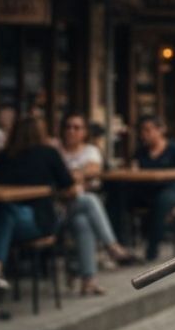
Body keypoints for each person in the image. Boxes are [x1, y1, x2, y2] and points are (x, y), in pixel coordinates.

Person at [0, 116, 73, 292]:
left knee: (2, 212)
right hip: (39, 219)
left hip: (25, 219)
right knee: (3, 213)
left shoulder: (5, 155)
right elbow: (67, 183)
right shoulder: (48, 152)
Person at [57, 113, 136, 294]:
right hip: (56, 209)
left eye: (77, 127)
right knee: (90, 201)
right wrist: (76, 176)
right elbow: (74, 177)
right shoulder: (55, 150)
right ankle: (112, 246)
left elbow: (92, 170)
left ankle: (88, 279)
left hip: (75, 207)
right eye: (68, 126)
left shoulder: (90, 150)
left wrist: (70, 176)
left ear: (84, 132)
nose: (71, 131)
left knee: (83, 221)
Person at [128, 116, 175, 262]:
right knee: (119, 195)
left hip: (171, 192)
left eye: (148, 130)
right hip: (147, 192)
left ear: (160, 130)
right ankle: (121, 245)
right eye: (142, 130)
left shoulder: (174, 149)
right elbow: (134, 171)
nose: (144, 134)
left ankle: (152, 248)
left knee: (162, 202)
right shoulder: (141, 152)